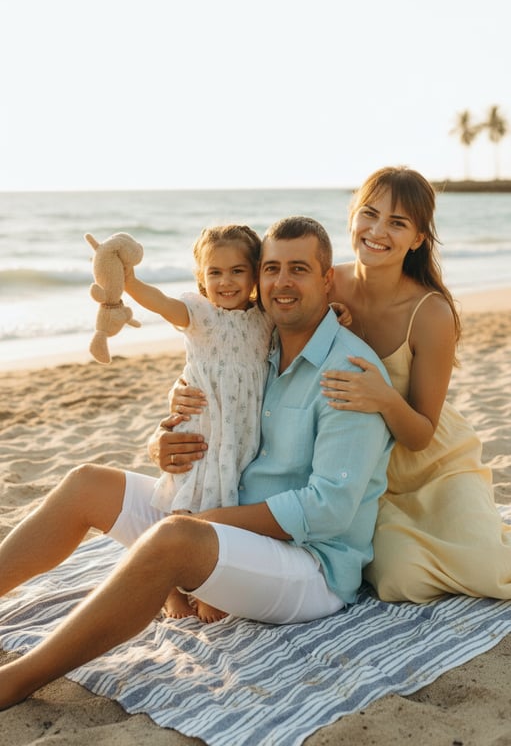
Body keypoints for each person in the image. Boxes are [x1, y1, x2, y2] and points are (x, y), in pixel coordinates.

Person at [0, 215, 393, 710]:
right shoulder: (265, 343)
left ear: (326, 277)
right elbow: (213, 390)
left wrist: (204, 521)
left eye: (298, 269)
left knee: (174, 536)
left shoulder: (348, 373)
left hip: (311, 567)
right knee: (87, 483)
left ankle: (15, 680)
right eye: (271, 268)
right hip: (226, 512)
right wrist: (161, 439)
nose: (281, 282)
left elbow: (327, 510)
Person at [319, 165, 511, 602]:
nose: (377, 230)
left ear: (418, 239)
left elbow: (423, 433)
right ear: (352, 216)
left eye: (398, 222)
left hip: (434, 464)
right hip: (370, 475)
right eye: (369, 213)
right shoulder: (329, 284)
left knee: (491, 569)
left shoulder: (431, 312)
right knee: (398, 580)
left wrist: (385, 398)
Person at [124, 224, 273, 621]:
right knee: (187, 503)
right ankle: (171, 590)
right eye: (215, 272)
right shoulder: (200, 314)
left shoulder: (265, 319)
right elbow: (158, 302)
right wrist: (128, 281)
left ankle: (211, 586)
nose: (226, 281)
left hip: (241, 437)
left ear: (255, 273)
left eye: (238, 271)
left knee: (228, 508)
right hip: (204, 430)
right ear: (201, 278)